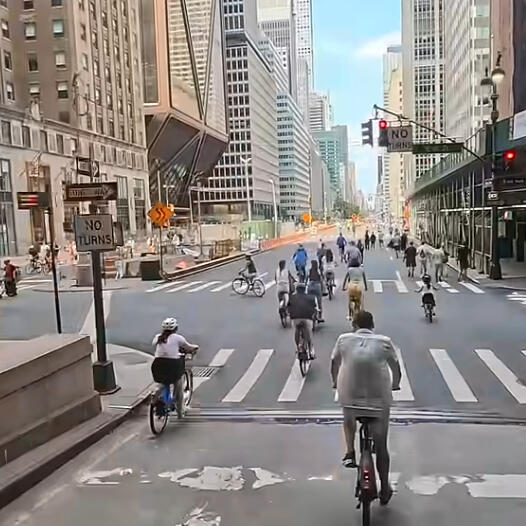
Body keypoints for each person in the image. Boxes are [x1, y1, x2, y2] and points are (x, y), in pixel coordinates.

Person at [330, 311, 401, 506]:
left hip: (350, 398)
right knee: (382, 446)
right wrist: (396, 384)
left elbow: (334, 362)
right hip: (378, 401)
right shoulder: (384, 342)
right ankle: (384, 487)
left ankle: (350, 451)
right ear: (373, 325)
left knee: (348, 416)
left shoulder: (343, 339)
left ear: (354, 325)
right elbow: (396, 367)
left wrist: (335, 382)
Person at [151, 318, 198, 419]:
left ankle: (157, 391)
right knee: (178, 385)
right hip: (172, 364)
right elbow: (188, 347)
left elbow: (156, 345)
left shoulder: (158, 337)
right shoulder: (178, 338)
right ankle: (180, 412)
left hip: (157, 364)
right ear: (176, 328)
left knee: (163, 381)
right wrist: (195, 347)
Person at [289, 283, 317, 359]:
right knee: (309, 333)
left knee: (296, 329)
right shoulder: (311, 297)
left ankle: (298, 347)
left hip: (295, 318)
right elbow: (315, 308)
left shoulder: (292, 297)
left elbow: (288, 307)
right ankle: (311, 350)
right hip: (307, 318)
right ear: (305, 290)